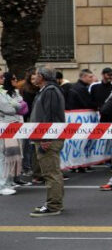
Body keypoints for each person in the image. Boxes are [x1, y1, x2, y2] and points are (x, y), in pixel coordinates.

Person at [28, 67, 66, 217]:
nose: (34, 77)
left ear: (42, 76)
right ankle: (55, 202)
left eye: (36, 74)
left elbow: (50, 117)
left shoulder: (50, 91)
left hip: (48, 137)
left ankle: (54, 206)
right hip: (47, 136)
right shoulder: (47, 90)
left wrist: (46, 138)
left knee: (51, 173)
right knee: (52, 172)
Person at [0, 73, 26, 196]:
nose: (3, 79)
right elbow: (10, 109)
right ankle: (2, 184)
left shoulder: (4, 93)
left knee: (10, 155)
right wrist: (17, 105)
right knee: (4, 156)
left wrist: (16, 105)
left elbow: (22, 107)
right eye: (1, 77)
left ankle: (7, 182)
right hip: (4, 126)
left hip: (10, 126)